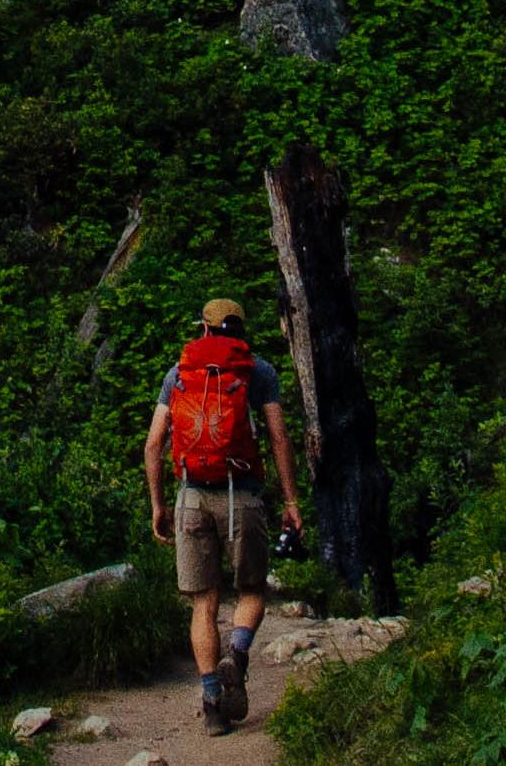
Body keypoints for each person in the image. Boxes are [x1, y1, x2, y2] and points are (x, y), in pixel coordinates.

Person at [142, 295, 305, 729]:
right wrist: (290, 501)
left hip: (192, 496)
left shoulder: (178, 373)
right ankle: (237, 652)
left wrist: (159, 504)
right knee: (251, 590)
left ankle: (213, 701)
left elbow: (154, 444)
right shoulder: (259, 372)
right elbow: (278, 437)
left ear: (205, 328)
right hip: (244, 496)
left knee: (203, 605)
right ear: (240, 328)